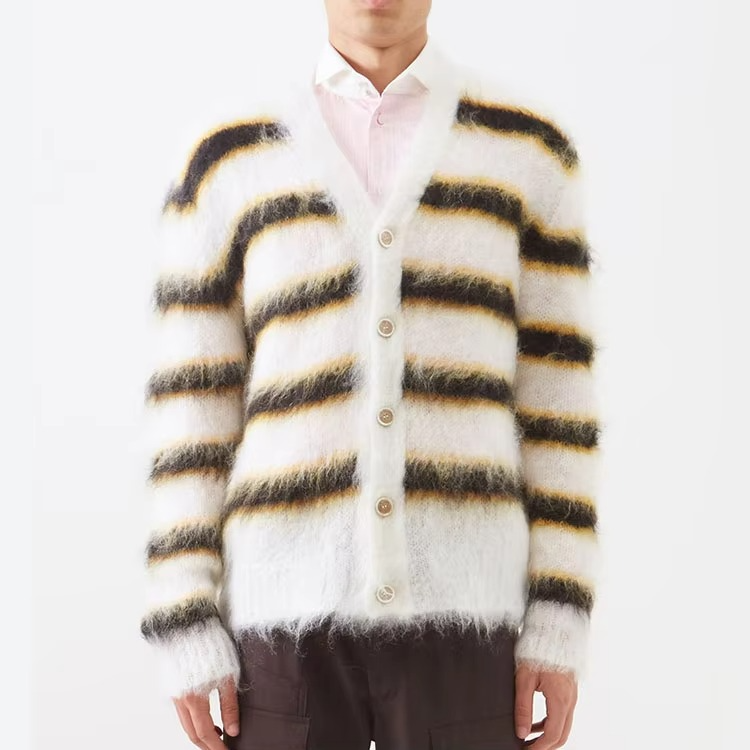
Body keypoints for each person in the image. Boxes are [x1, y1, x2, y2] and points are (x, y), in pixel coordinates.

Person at [139, 1, 601, 748]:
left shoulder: (528, 149)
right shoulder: (227, 159)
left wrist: (560, 615)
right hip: (281, 626)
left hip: (468, 622)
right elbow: (192, 407)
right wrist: (183, 614)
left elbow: (560, 404)